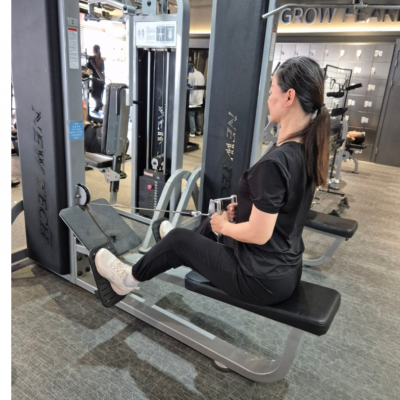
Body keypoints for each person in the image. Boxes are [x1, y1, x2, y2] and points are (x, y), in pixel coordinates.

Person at [94, 56, 330, 306]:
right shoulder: (307, 149)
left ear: (289, 96)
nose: (269, 99)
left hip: (258, 279)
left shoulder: (277, 161)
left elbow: (259, 234)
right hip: (285, 271)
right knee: (209, 222)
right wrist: (244, 210)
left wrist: (225, 228)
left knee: (181, 239)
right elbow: (285, 208)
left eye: (272, 91)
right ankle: (178, 247)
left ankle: (127, 279)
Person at [187, 63, 205, 137]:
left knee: (191, 114)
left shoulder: (191, 74)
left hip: (193, 97)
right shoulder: (200, 74)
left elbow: (189, 85)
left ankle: (192, 132)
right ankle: (198, 130)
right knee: (198, 114)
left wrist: (187, 78)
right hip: (200, 98)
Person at [87, 45, 105, 113]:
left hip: (95, 80)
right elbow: (103, 71)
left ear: (94, 50)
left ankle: (101, 106)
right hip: (102, 80)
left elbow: (89, 70)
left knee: (93, 94)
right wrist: (104, 81)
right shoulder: (101, 60)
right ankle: (97, 109)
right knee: (99, 95)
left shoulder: (91, 59)